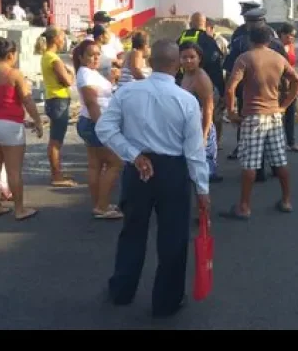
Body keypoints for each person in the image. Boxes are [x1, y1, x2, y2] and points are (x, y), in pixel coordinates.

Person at [96, 39, 210, 319]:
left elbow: (105, 127)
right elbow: (194, 151)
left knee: (132, 231)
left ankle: (122, 290)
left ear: (151, 62)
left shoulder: (127, 93)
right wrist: (202, 189)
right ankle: (166, 301)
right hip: (173, 171)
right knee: (172, 237)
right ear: (178, 64)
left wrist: (133, 155)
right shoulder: (186, 100)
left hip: (139, 169)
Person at [222, 24, 298, 220]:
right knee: (280, 160)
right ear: (268, 40)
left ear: (251, 40)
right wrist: (284, 105)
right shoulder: (278, 58)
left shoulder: (245, 58)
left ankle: (244, 206)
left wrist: (232, 112)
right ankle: (286, 200)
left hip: (253, 116)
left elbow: (231, 88)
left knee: (250, 163)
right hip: (274, 115)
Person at [0, 37, 42, 221]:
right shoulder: (14, 74)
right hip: (10, 126)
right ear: (11, 55)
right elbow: (27, 100)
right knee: (14, 171)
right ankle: (19, 209)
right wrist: (37, 120)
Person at [223, 5, 287, 181]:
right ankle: (276, 169)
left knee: (251, 137)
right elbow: (288, 73)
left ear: (248, 23)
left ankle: (257, 172)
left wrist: (230, 105)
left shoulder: (240, 43)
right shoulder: (276, 43)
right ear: (263, 22)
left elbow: (229, 72)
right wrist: (285, 100)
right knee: (274, 136)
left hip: (248, 97)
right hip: (274, 96)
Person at [73, 40, 123, 220]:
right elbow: (92, 103)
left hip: (91, 122)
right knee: (115, 163)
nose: (95, 58)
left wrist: (111, 81)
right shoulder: (86, 75)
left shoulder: (89, 73)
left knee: (96, 165)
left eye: (97, 54)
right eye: (90, 55)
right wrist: (103, 127)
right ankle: (101, 206)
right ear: (81, 57)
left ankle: (99, 204)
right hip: (95, 122)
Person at [34, 26, 78, 188]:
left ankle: (57, 172)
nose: (64, 40)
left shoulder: (47, 56)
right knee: (56, 141)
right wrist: (71, 73)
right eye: (62, 36)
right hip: (58, 100)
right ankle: (56, 176)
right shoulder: (54, 59)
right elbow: (68, 81)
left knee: (55, 139)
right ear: (56, 39)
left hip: (53, 100)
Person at [179, 42, 222, 183]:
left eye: (192, 57)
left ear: (199, 58)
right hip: (190, 126)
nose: (188, 60)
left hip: (202, 126)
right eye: (184, 57)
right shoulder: (186, 75)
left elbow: (209, 108)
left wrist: (204, 135)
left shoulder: (201, 78)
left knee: (202, 175)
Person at [177, 12, 225, 100]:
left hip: (183, 86)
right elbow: (216, 68)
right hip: (203, 86)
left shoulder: (180, 39)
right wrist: (221, 91)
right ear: (204, 24)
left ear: (190, 24)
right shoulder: (208, 40)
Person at [279, 23, 298, 152]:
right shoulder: (276, 47)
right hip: (278, 84)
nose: (292, 38)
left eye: (294, 36)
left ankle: (291, 142)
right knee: (277, 114)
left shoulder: (291, 46)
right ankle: (275, 142)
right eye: (290, 36)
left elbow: (292, 65)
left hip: (290, 83)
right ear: (282, 34)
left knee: (290, 113)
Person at [205, 18, 228, 148]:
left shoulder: (221, 41)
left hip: (218, 81)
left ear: (211, 28)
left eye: (206, 28)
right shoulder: (201, 41)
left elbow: (226, 60)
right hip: (204, 82)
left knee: (217, 115)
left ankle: (217, 140)